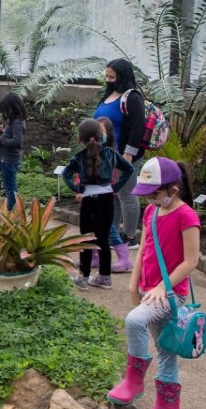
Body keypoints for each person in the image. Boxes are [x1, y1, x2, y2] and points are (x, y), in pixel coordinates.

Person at [107, 157, 200, 409]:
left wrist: (163, 286)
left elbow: (191, 261)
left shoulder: (187, 216)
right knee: (165, 349)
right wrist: (133, 284)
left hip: (171, 295)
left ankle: (134, 381)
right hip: (150, 291)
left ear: (173, 190)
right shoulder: (151, 213)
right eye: (146, 195)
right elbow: (145, 250)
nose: (150, 200)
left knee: (134, 320)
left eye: (155, 194)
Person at [62, 119, 135, 291]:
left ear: (80, 138)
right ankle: (104, 278)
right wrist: (115, 187)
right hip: (106, 199)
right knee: (103, 239)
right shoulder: (110, 154)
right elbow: (129, 169)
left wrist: (78, 187)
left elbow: (66, 175)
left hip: (88, 200)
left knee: (86, 239)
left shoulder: (78, 157)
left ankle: (84, 277)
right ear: (101, 135)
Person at [93, 59, 148, 248]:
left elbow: (137, 127)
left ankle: (130, 236)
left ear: (122, 76)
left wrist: (128, 154)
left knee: (126, 193)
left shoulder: (132, 97)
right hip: (108, 155)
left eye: (112, 77)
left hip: (124, 155)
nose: (108, 80)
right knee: (113, 194)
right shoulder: (109, 94)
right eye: (106, 76)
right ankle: (113, 231)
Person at [97, 116, 134, 273]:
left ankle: (124, 259)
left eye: (101, 131)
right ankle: (93, 256)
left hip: (103, 195)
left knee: (108, 227)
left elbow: (127, 169)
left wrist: (115, 187)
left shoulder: (110, 153)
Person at [0, 92, 26, 210]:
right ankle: (15, 210)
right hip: (7, 159)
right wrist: (2, 132)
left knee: (9, 188)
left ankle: (12, 211)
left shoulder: (17, 123)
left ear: (12, 108)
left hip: (9, 161)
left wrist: (0, 139)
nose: (4, 114)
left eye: (5, 110)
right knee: (10, 186)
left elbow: (17, 142)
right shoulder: (15, 121)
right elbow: (12, 136)